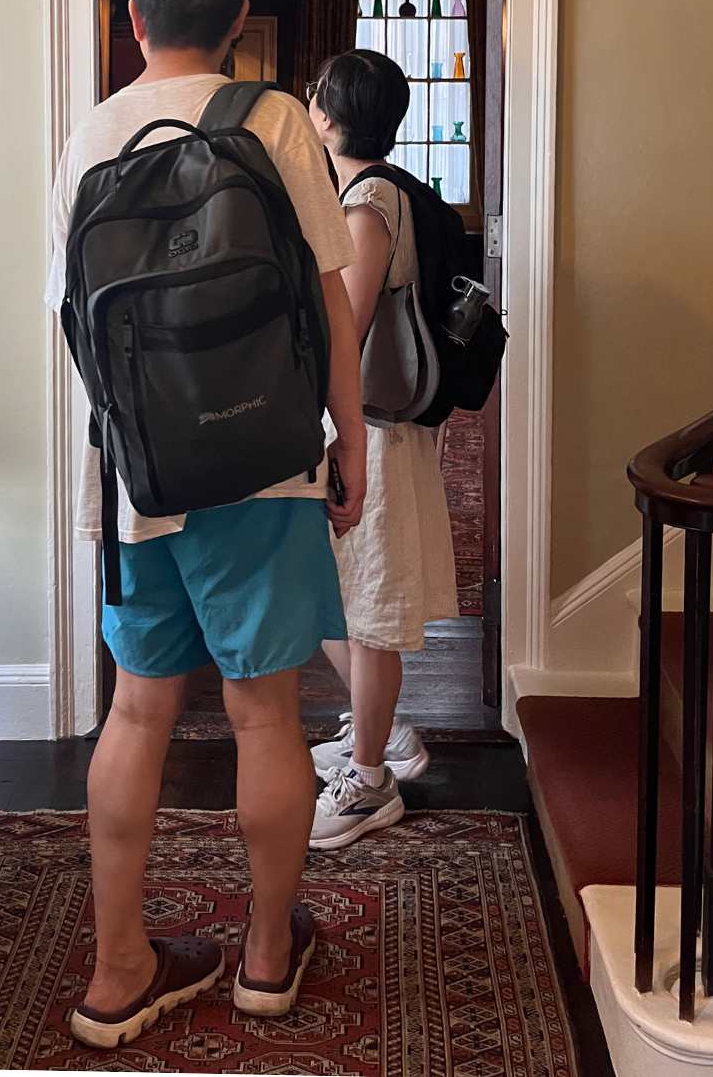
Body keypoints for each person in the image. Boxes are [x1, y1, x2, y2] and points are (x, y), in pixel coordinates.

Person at [44, 0, 368, 1048]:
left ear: (133, 17)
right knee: (264, 713)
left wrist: (131, 452)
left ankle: (120, 965)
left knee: (139, 707)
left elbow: (73, 329)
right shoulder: (275, 120)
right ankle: (267, 956)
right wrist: (351, 440)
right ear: (239, 20)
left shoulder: (88, 136)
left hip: (143, 477)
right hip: (266, 465)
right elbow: (329, 299)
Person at [305, 49, 459, 849]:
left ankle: (370, 782)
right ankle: (383, 733)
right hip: (377, 425)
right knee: (337, 599)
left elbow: (347, 330)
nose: (308, 103)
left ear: (329, 117)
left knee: (365, 612)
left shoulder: (367, 204)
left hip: (373, 429)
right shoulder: (380, 192)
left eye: (314, 96)